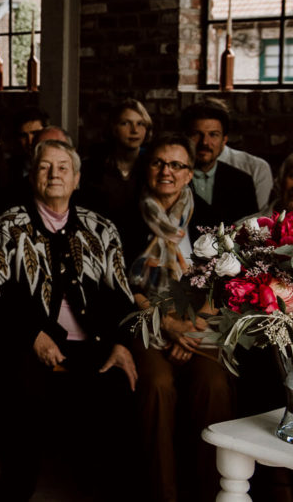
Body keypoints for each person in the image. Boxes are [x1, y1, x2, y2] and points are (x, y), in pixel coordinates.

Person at [0, 139, 137, 502]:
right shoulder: (8, 225)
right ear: (31, 174)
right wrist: (33, 334)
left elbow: (122, 296)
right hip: (29, 344)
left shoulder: (101, 229)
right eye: (45, 166)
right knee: (20, 401)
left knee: (119, 395)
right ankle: (16, 490)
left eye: (63, 167)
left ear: (77, 178)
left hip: (96, 345)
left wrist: (120, 344)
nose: (54, 174)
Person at [126, 134, 233, 502]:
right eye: (158, 163)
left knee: (214, 386)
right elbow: (121, 284)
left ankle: (212, 491)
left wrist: (193, 326)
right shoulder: (124, 215)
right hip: (148, 325)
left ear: (190, 174)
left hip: (199, 328)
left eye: (176, 165)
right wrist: (167, 325)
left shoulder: (211, 218)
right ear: (147, 168)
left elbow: (224, 281)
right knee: (157, 385)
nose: (166, 171)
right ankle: (164, 493)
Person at [80, 99, 153, 251]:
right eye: (126, 123)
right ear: (113, 128)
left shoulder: (153, 166)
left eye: (140, 124)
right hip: (101, 245)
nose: (134, 130)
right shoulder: (93, 167)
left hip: (144, 248)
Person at [181, 102, 257, 236]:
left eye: (213, 134)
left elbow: (251, 233)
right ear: (185, 137)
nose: (204, 142)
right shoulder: (172, 178)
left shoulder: (242, 181)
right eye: (197, 134)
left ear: (224, 140)